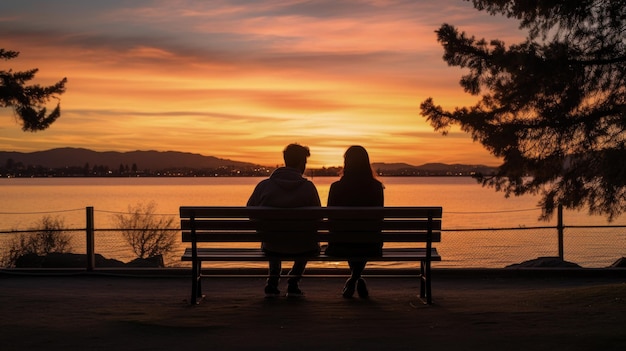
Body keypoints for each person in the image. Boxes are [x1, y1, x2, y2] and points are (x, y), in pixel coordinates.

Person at [247, 143, 321, 298]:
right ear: (301, 163)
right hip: (303, 247)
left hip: (272, 245)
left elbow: (250, 212)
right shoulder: (308, 187)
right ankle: (293, 282)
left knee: (273, 237)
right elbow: (318, 218)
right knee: (308, 242)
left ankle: (273, 281)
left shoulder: (264, 186)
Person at [326, 145, 384, 298]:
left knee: (350, 237)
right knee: (363, 236)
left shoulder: (336, 187)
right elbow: (378, 220)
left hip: (340, 246)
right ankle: (356, 278)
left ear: (346, 163)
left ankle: (353, 278)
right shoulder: (376, 187)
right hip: (371, 246)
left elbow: (330, 218)